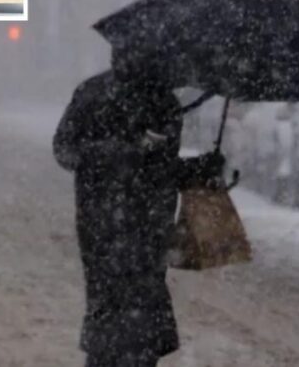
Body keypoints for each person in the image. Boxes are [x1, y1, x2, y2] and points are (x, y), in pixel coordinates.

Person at [54, 54, 225, 367]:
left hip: (145, 227)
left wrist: (201, 169)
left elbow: (162, 171)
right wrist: (125, 151)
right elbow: (65, 150)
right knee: (116, 317)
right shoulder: (95, 94)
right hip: (106, 225)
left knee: (140, 322)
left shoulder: (163, 102)